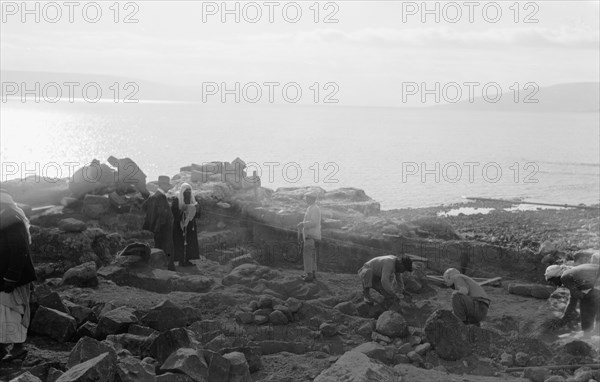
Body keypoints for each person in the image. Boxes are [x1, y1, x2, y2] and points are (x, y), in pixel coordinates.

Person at [0, 189, 36, 361]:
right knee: (4, 310)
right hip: (5, 273)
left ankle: (18, 348)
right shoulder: (5, 216)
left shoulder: (11, 219)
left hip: (15, 276)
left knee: (15, 309)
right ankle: (3, 346)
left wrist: (11, 277)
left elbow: (19, 250)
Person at [545, 263, 600, 333]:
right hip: (597, 281)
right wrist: (566, 315)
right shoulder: (571, 272)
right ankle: (593, 333)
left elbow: (577, 296)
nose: (553, 284)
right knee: (590, 301)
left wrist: (565, 318)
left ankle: (587, 334)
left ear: (556, 276)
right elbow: (573, 297)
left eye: (552, 281)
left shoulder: (564, 277)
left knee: (586, 304)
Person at [142, 176, 175, 271]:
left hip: (156, 229)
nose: (168, 187)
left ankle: (159, 267)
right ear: (162, 185)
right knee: (168, 248)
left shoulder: (152, 196)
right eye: (167, 185)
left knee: (158, 247)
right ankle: (169, 268)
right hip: (164, 228)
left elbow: (144, 207)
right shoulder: (161, 197)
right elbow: (163, 214)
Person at [172, 183, 200, 267]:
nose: (188, 192)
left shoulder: (193, 200)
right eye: (186, 190)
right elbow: (174, 212)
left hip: (190, 226)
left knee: (190, 242)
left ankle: (187, 259)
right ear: (182, 191)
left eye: (189, 190)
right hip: (180, 226)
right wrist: (182, 210)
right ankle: (181, 260)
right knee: (180, 242)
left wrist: (197, 209)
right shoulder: (177, 200)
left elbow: (197, 215)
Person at [297, 191, 321, 282]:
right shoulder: (311, 208)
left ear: (311, 198)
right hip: (311, 236)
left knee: (307, 255)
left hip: (311, 236)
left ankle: (309, 274)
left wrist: (302, 224)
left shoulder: (314, 208)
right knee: (312, 255)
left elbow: (314, 222)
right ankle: (313, 273)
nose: (306, 199)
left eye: (307, 198)